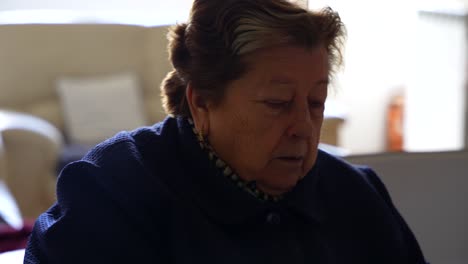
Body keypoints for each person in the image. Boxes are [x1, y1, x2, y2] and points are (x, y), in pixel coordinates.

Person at [24, 0, 427, 263]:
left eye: (316, 102)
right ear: (202, 103)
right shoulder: (112, 193)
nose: (304, 128)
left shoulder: (355, 195)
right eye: (278, 103)